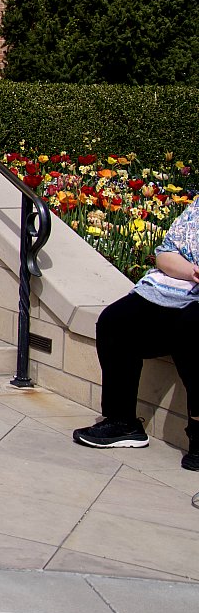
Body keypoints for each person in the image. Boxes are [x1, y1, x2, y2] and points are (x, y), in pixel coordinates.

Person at [72, 197, 199, 472]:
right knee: (116, 323)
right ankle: (123, 422)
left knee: (191, 328)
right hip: (178, 290)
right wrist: (192, 271)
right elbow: (165, 255)